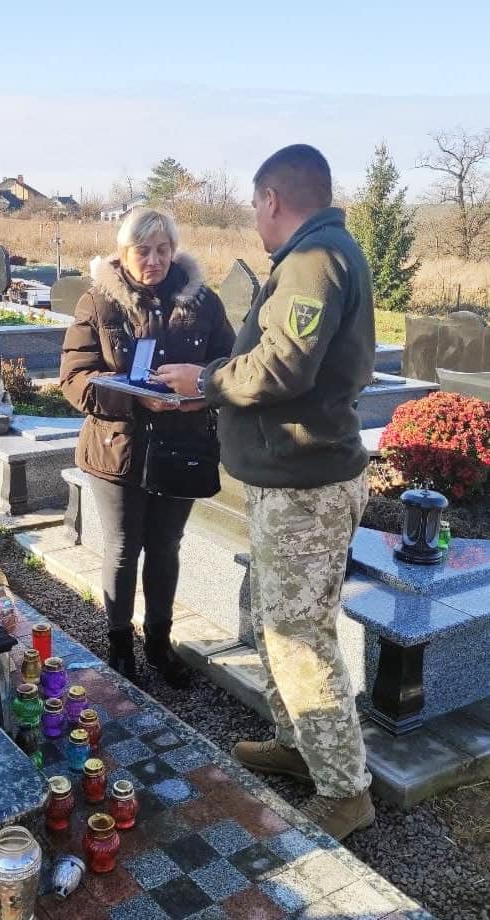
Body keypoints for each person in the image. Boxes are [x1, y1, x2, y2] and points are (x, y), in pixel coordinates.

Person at [155, 145, 376, 840]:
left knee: (298, 636)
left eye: (255, 205)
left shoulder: (314, 260)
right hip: (291, 480)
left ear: (273, 200)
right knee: (274, 623)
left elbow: (282, 367)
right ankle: (297, 744)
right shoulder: (316, 255)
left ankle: (345, 791)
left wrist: (207, 381)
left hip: (306, 488)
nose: (255, 217)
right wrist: (219, 378)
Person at [60, 208, 235, 688]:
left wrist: (200, 392)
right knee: (123, 548)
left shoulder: (204, 303)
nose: (154, 260)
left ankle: (159, 643)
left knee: (165, 546)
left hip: (182, 443)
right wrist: (135, 398)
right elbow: (74, 379)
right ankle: (119, 644)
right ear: (123, 252)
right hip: (118, 446)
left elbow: (230, 367)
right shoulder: (98, 302)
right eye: (143, 251)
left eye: (163, 250)